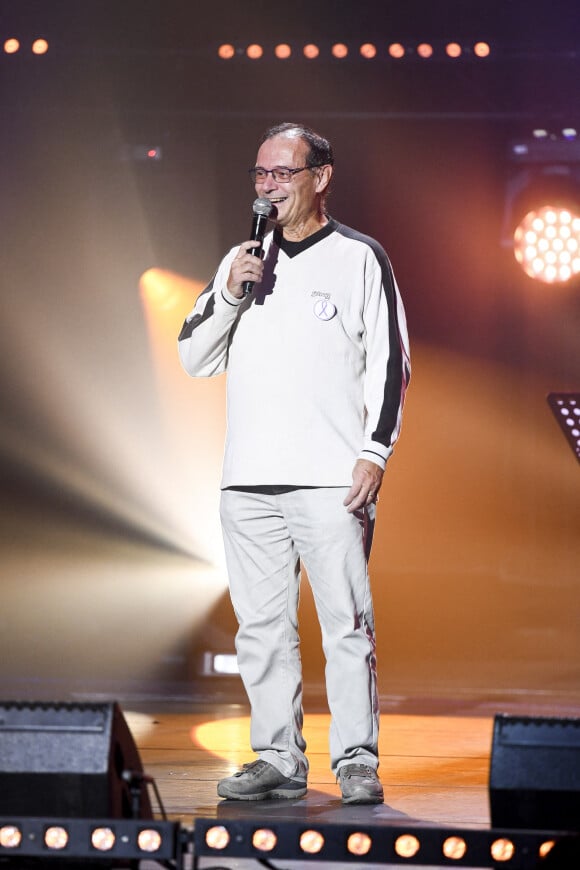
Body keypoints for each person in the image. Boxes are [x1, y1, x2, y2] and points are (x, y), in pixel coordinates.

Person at [178, 122, 410, 804]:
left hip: (331, 480)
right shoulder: (242, 260)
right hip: (247, 482)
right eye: (260, 174)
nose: (268, 186)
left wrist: (374, 452)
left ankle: (357, 760)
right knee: (261, 629)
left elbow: (391, 365)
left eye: (282, 173)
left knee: (345, 623)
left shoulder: (360, 257)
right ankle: (277, 757)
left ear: (321, 177)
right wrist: (230, 292)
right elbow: (194, 356)